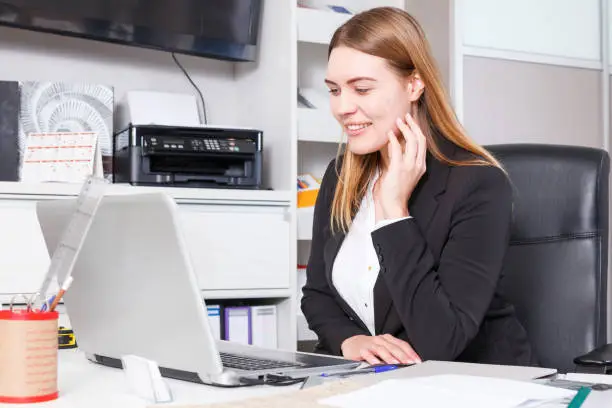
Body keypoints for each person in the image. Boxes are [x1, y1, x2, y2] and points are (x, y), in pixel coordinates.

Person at [300, 7, 536, 367]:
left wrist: (393, 211)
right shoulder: (340, 176)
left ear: (414, 84)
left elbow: (442, 341)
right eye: (334, 90)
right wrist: (351, 341)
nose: (343, 107)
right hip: (378, 381)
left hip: (476, 386)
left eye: (362, 88)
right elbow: (317, 294)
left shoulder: (479, 184)